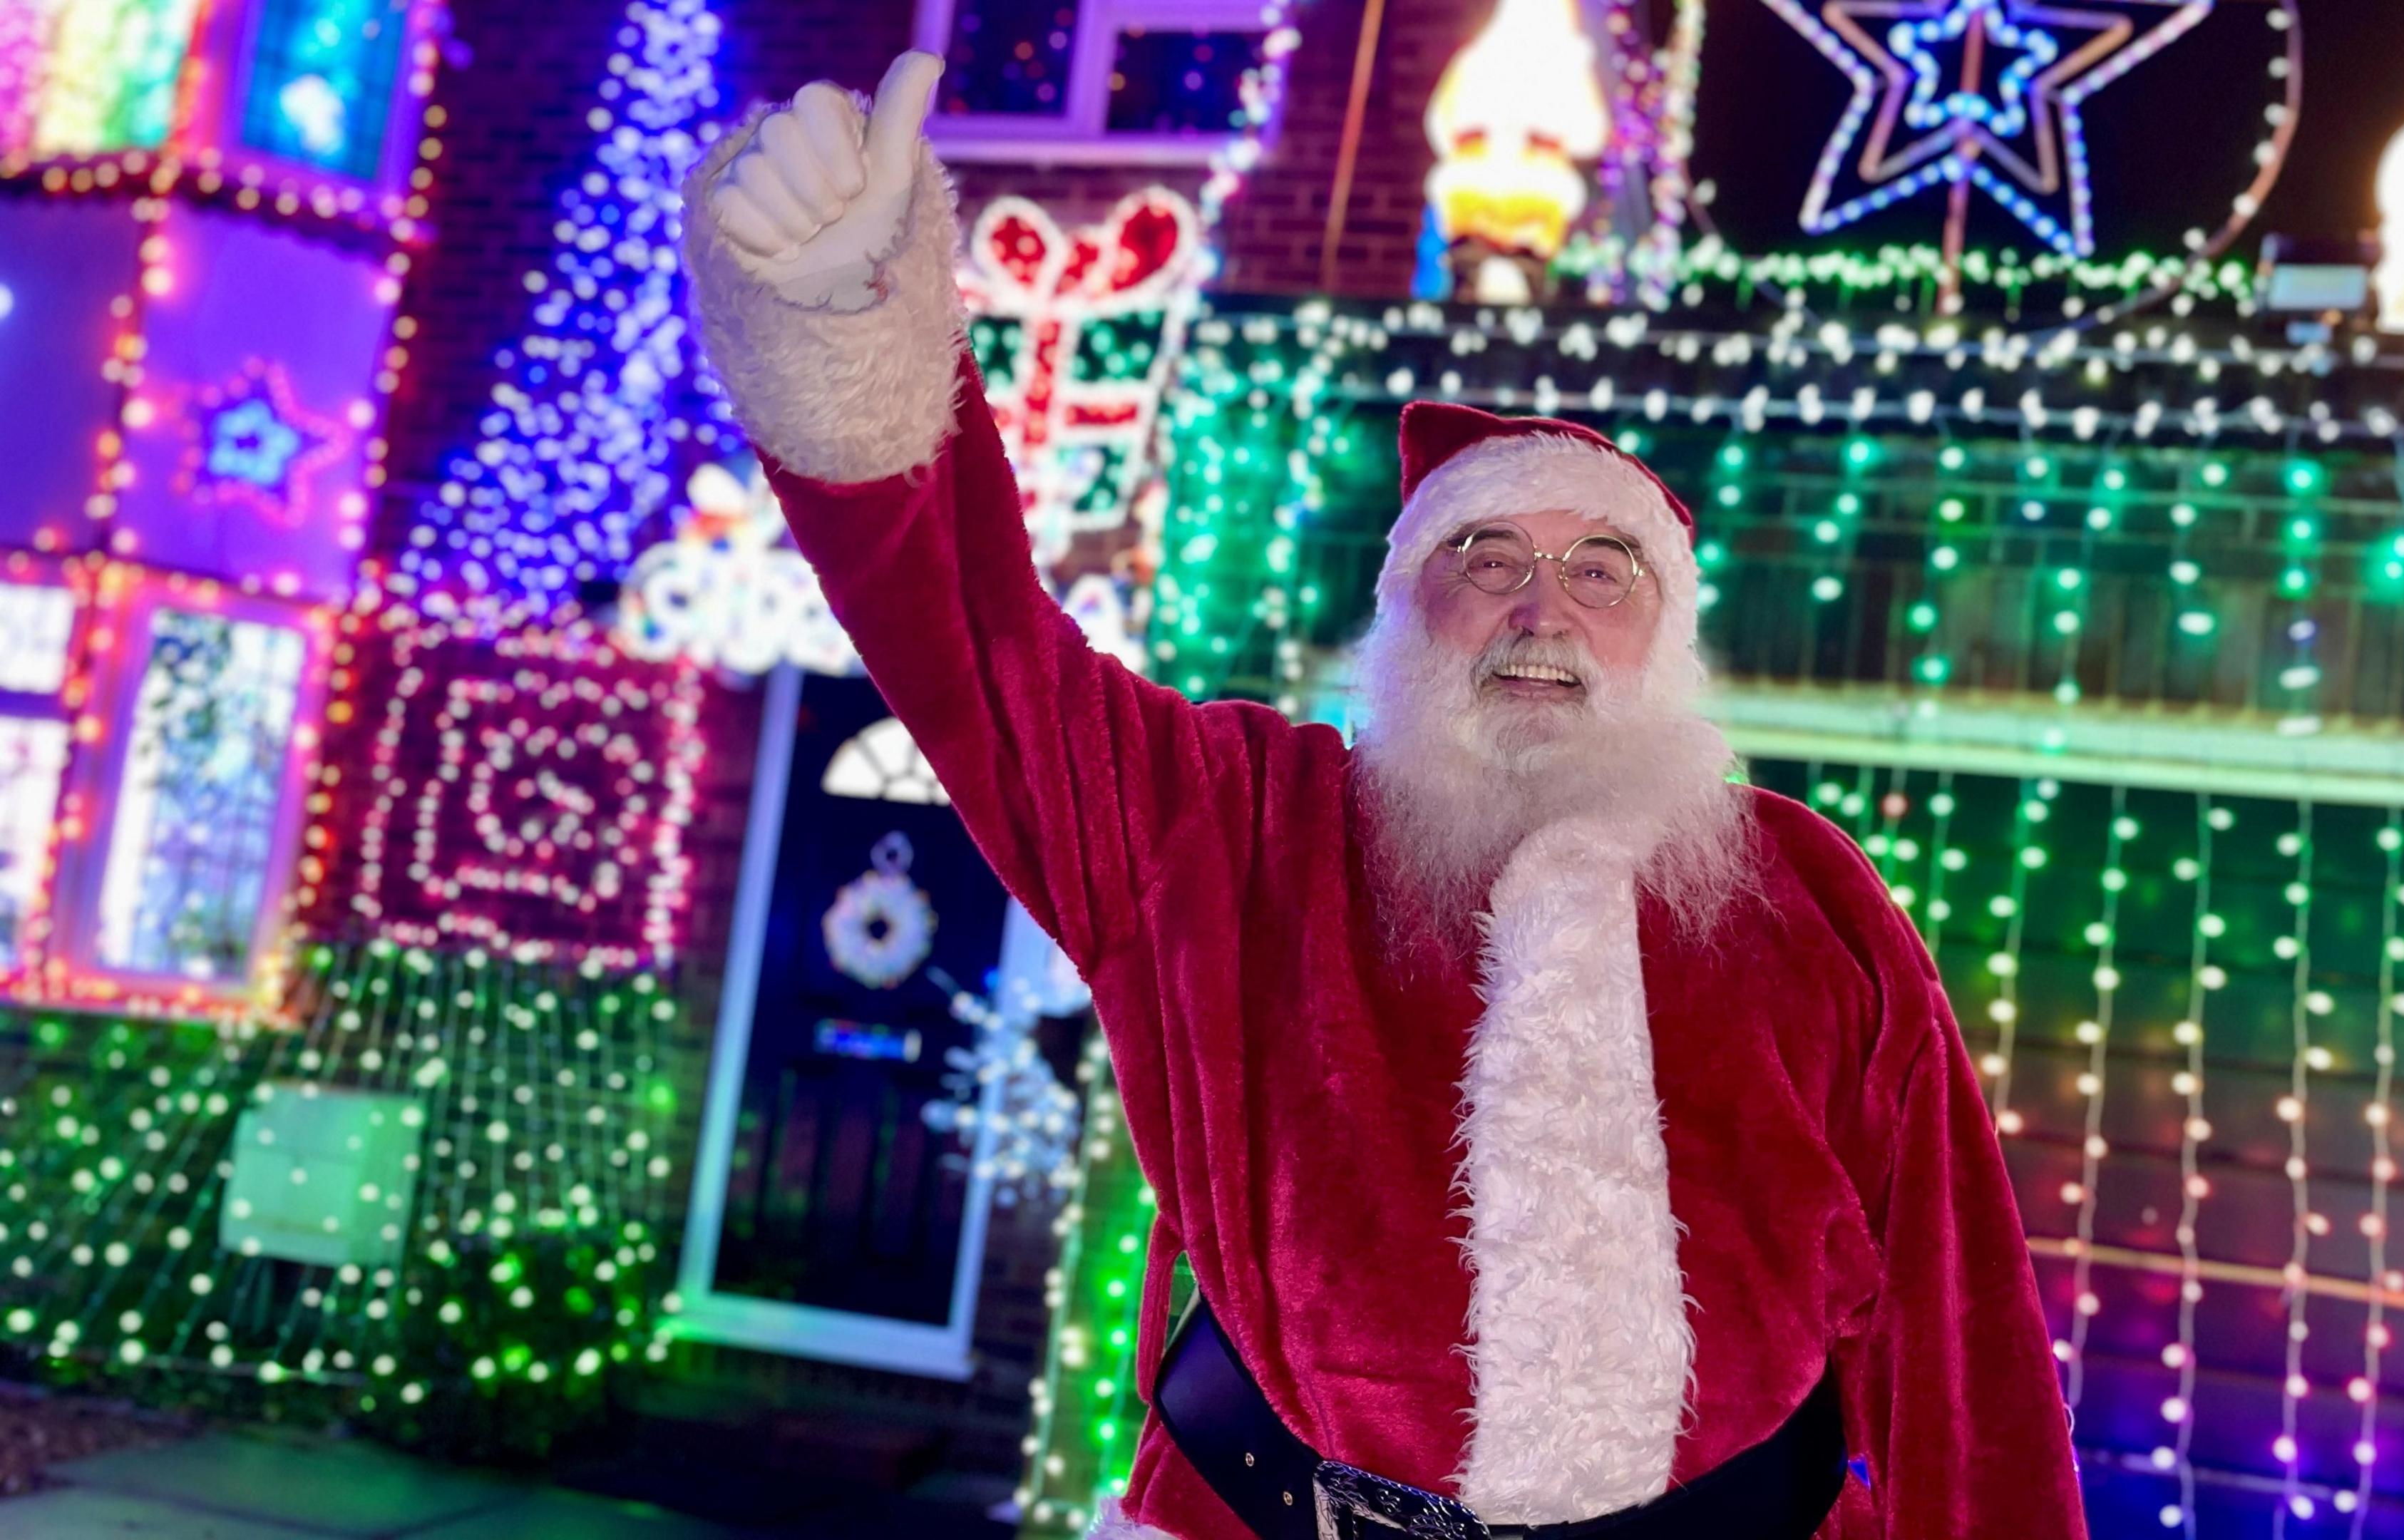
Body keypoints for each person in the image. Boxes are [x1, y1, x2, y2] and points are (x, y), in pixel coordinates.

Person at [683, 50, 2087, 1540]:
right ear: (1405, 618)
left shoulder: (1805, 893)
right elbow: (974, 646)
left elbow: (1960, 1343)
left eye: (1600, 573)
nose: (1542, 612)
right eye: (1486, 564)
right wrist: (846, 325)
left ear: (1665, 640)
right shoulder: (1230, 826)